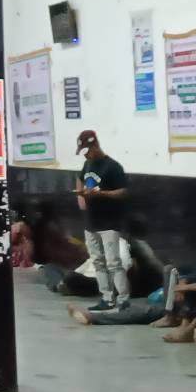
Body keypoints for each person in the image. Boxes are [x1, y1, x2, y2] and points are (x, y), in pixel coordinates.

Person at [73, 129, 130, 311]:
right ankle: (106, 297)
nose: (86, 155)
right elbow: (80, 178)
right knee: (97, 261)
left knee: (113, 262)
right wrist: (81, 196)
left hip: (109, 222)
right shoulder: (87, 164)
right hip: (91, 222)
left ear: (95, 146)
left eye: (87, 151)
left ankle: (123, 298)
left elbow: (123, 192)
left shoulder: (112, 166)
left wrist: (101, 194)